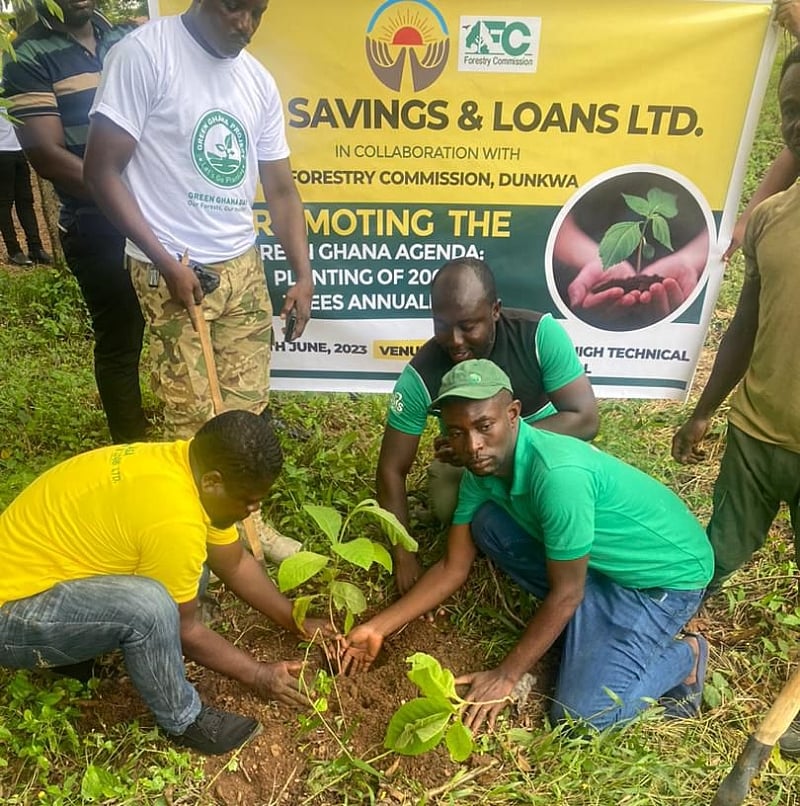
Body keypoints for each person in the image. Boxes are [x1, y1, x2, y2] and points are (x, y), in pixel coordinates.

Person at [346, 360, 712, 732]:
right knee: (486, 524)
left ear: (513, 414)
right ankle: (595, 624)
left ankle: (687, 657)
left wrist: (506, 676)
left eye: (484, 426)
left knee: (581, 721)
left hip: (660, 582)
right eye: (457, 432)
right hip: (597, 567)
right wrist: (378, 627)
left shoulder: (557, 477)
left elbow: (566, 593)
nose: (472, 446)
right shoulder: (481, 472)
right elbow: (452, 567)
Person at [83, 0, 312, 562]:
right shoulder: (145, 56)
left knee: (247, 411)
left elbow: (280, 191)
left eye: (257, 13)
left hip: (241, 266)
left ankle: (250, 530)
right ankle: (189, 542)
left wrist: (302, 273)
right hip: (174, 269)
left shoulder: (257, 82)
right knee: (189, 421)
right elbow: (100, 169)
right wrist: (163, 260)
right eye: (235, 9)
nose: (246, 25)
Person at [0, 410, 330, 756]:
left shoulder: (184, 467)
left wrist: (297, 621)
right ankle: (183, 719)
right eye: (247, 500)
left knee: (190, 572)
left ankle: (73, 658)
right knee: (152, 607)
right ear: (213, 482)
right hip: (12, 615)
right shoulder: (175, 517)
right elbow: (183, 628)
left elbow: (232, 562)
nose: (252, 509)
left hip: (43, 581)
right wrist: (259, 675)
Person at [672, 44, 800, 761]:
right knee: (716, 550)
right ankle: (667, 633)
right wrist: (704, 409)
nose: (799, 122)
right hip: (757, 436)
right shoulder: (775, 215)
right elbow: (746, 323)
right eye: (789, 111)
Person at [378, 257, 598, 594]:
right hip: (474, 466)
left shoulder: (538, 336)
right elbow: (392, 469)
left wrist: (504, 448)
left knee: (568, 500)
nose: (453, 340)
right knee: (447, 508)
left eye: (468, 326)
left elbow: (584, 418)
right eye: (441, 324)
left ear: (495, 310)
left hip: (547, 451)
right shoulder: (421, 375)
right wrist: (403, 553)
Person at [2, 0, 148, 443]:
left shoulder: (126, 37)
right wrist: (126, 200)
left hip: (161, 217)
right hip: (96, 223)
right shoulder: (27, 54)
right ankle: (131, 448)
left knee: (173, 330)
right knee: (122, 340)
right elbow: (46, 155)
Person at [0, 112, 50, 266]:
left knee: (26, 199)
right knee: (4, 202)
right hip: (1, 151)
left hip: (19, 149)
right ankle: (14, 250)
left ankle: (35, 247)